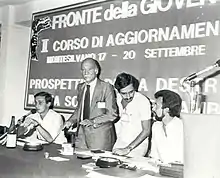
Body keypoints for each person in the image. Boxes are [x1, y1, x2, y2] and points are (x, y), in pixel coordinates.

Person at [64, 58, 118, 151]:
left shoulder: (106, 87)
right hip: (81, 136)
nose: (86, 73)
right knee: (78, 162)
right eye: (83, 70)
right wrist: (71, 121)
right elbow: (79, 109)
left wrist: (92, 121)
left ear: (96, 71)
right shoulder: (81, 87)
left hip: (100, 137)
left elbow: (112, 115)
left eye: (89, 69)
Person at [112, 73, 152, 157]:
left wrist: (128, 148)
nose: (128, 96)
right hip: (120, 142)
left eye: (131, 92)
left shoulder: (143, 101)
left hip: (138, 146)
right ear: (118, 91)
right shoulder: (117, 100)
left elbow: (146, 130)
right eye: (124, 93)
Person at [149, 89, 183, 163]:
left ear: (167, 109)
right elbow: (154, 155)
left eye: (156, 105)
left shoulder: (182, 127)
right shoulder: (156, 126)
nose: (153, 108)